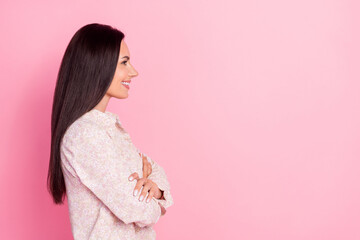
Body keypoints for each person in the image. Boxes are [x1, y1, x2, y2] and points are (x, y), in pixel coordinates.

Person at [47, 23, 174, 239]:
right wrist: (154, 203)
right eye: (124, 62)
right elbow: (135, 208)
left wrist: (157, 189)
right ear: (98, 66)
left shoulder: (109, 126)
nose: (133, 71)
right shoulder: (84, 135)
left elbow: (155, 170)